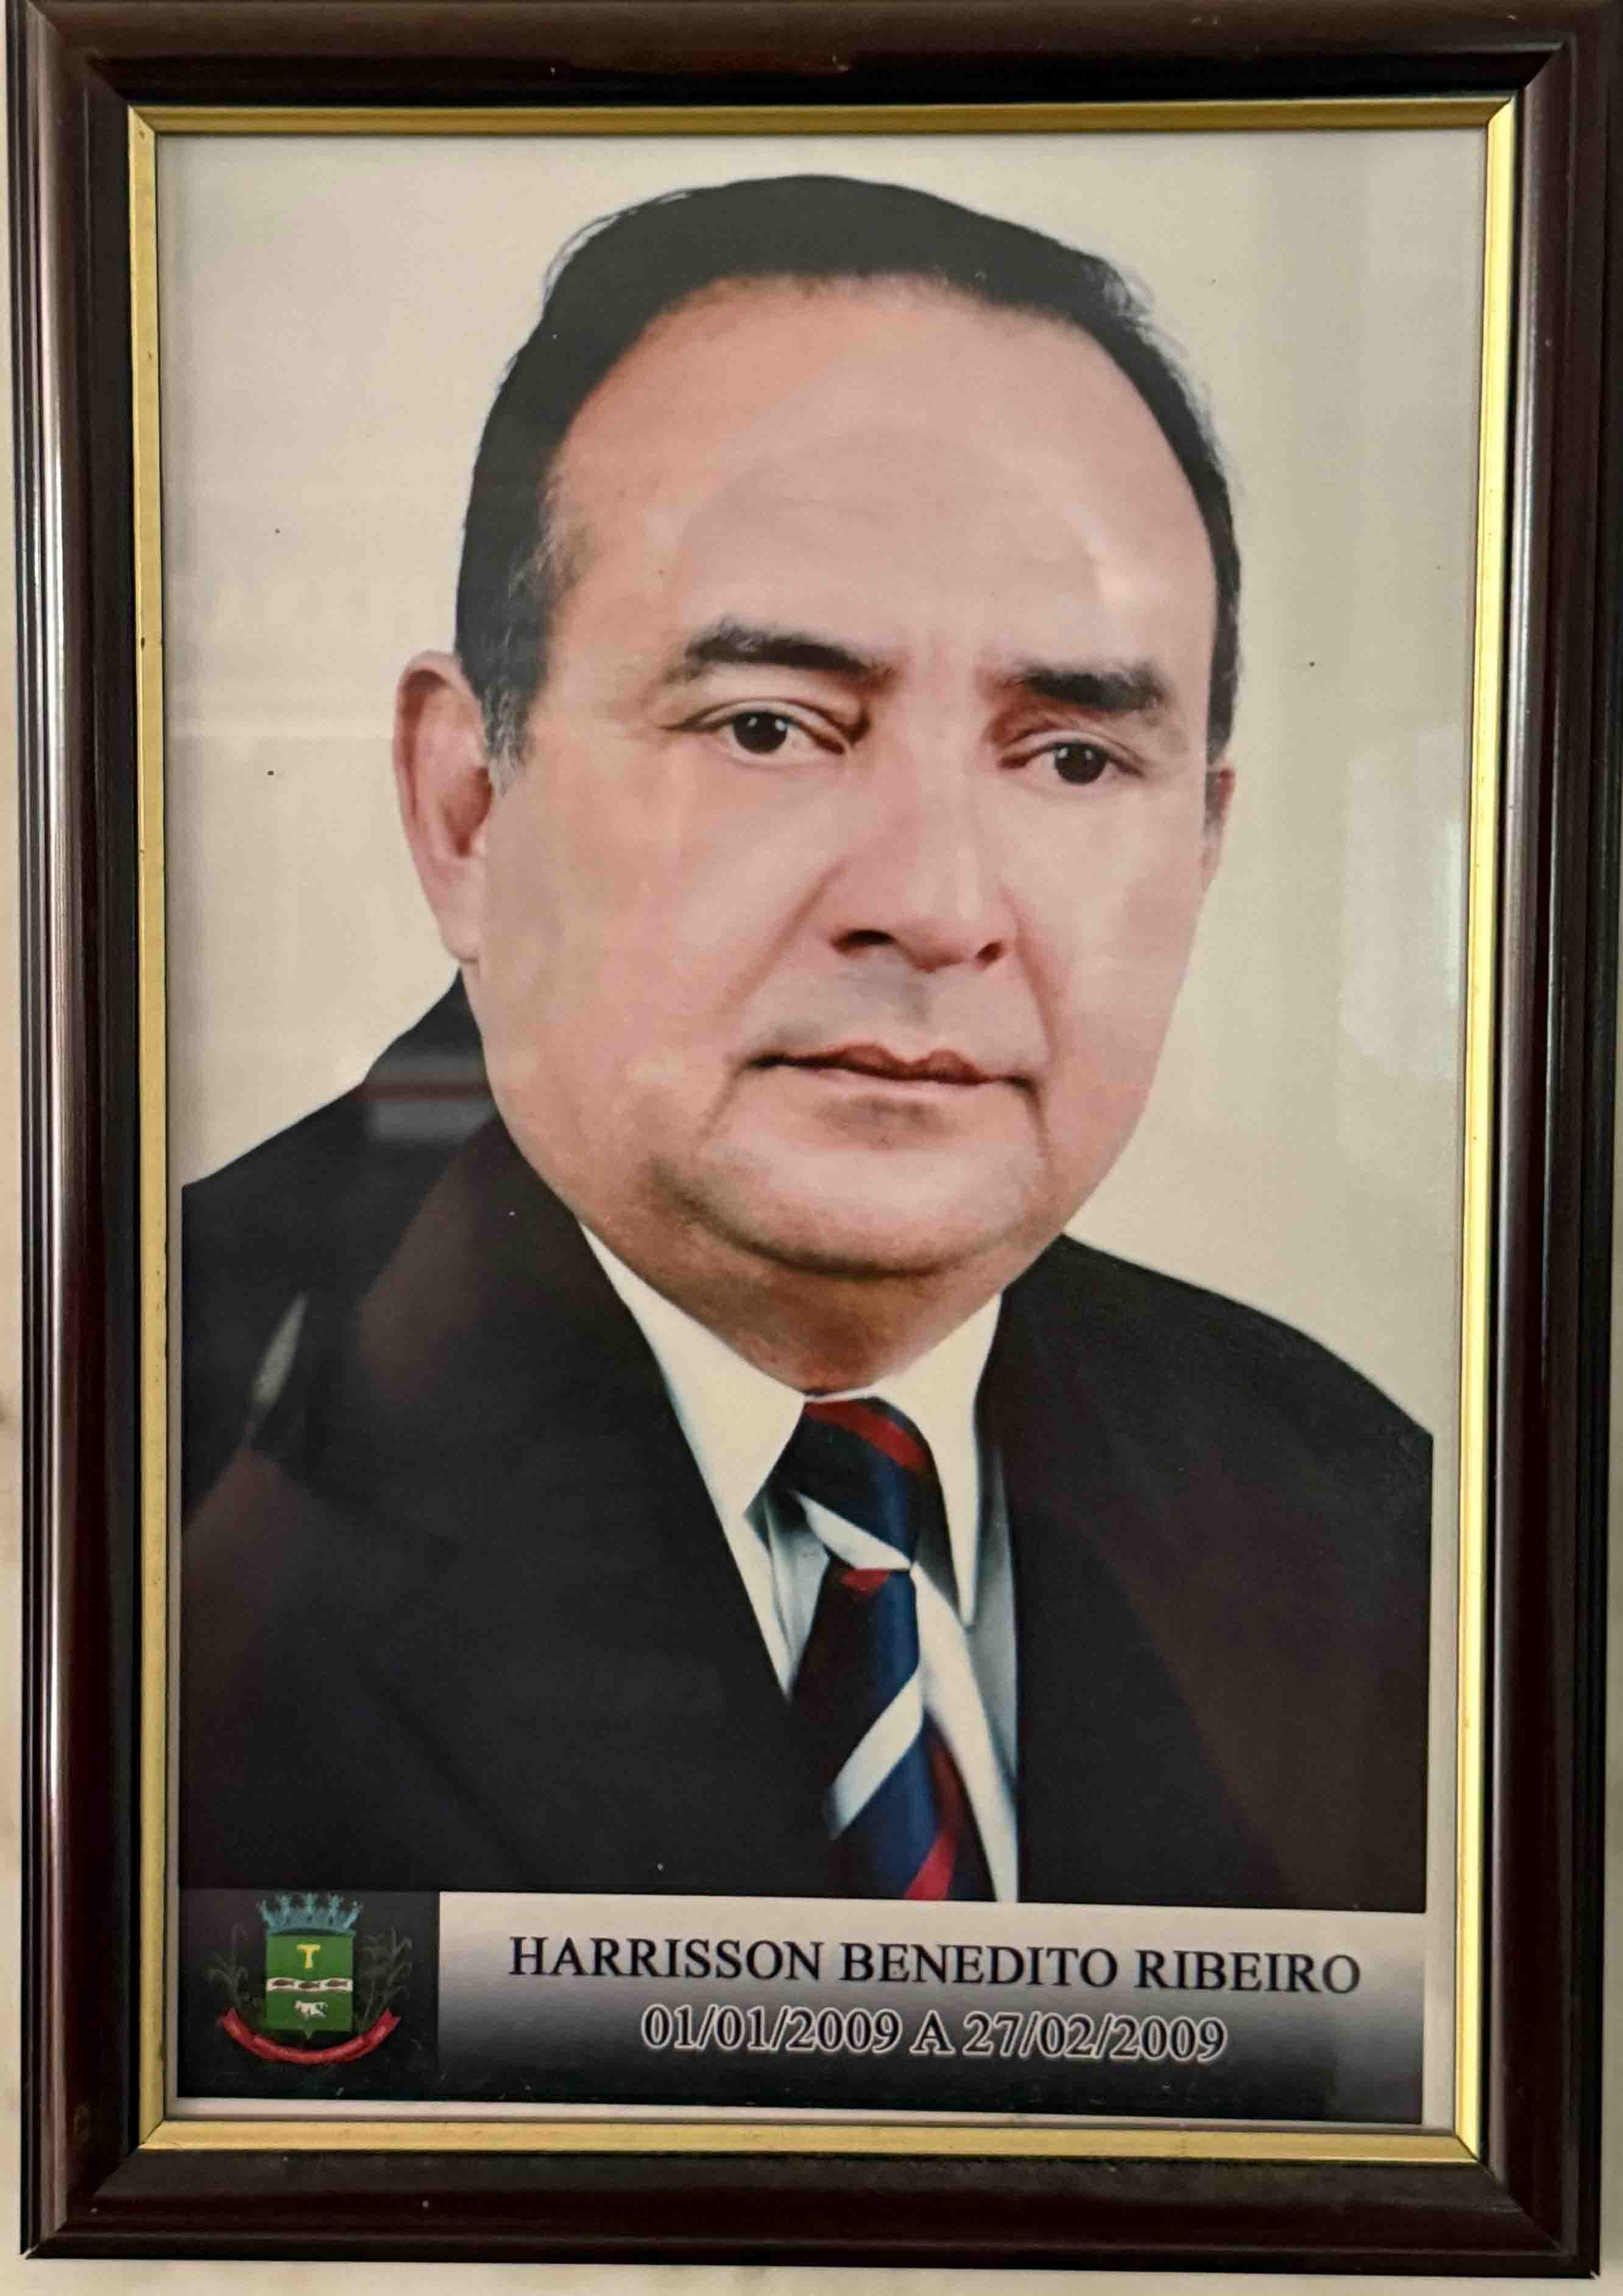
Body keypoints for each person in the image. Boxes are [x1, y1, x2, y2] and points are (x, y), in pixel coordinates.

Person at [180, 175, 1430, 1910]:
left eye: (1074, 758)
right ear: (468, 807)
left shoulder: (1364, 1517)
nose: (935, 906)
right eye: (769, 727)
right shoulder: (131, 1457)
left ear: (1203, 845)